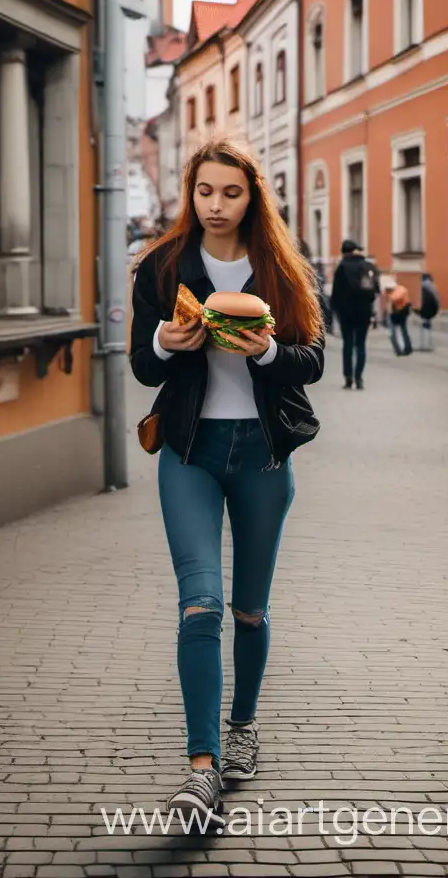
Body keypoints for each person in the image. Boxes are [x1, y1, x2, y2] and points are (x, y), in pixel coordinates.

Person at [129, 139, 325, 822]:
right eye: (204, 192)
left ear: (252, 197)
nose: (215, 206)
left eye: (230, 193)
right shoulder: (163, 267)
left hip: (264, 458)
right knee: (200, 604)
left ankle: (243, 726)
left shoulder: (278, 267)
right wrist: (162, 342)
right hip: (189, 452)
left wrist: (268, 351)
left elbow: (313, 359)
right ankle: (202, 769)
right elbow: (142, 370)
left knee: (249, 609)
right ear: (191, 193)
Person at [330, 239, 378, 389]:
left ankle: (348, 378)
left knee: (348, 344)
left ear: (343, 252)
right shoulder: (368, 266)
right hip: (364, 312)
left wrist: (333, 312)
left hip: (346, 313)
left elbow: (335, 293)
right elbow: (375, 291)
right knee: (361, 344)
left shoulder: (342, 267)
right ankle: (359, 378)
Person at [387, 281, 413, 356]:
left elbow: (395, 297)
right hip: (396, 313)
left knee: (400, 331)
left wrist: (389, 295)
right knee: (399, 332)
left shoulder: (400, 289)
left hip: (401, 313)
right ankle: (401, 349)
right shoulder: (395, 290)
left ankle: (405, 349)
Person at [417, 272, 440, 351]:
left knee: (424, 326)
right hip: (431, 309)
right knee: (427, 326)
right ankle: (427, 345)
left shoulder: (420, 286)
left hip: (423, 309)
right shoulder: (433, 286)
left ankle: (423, 345)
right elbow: (437, 299)